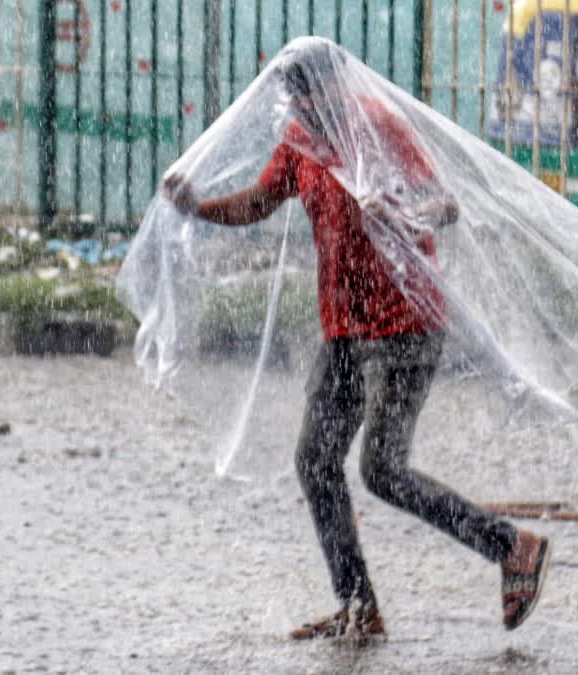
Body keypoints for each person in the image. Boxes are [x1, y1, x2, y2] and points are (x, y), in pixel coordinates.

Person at [162, 39, 552, 641]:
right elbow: (261, 201)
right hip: (344, 332)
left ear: (333, 88)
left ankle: (512, 546)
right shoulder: (301, 139)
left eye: (309, 95)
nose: (300, 108)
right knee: (315, 461)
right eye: (293, 98)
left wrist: (398, 210)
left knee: (382, 470)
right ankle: (358, 607)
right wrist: (200, 207)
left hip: (405, 326)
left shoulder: (377, 126)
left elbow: (442, 204)